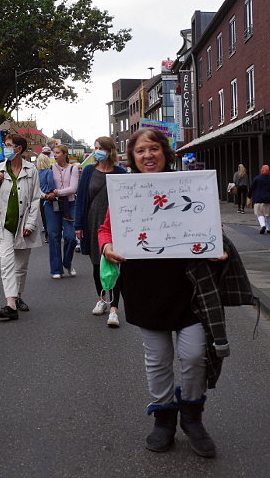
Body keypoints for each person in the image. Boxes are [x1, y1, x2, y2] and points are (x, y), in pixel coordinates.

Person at [98, 128, 252, 458]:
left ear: (166, 153)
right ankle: (164, 419)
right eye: (140, 151)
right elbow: (106, 229)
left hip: (189, 286)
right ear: (132, 157)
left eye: (154, 148)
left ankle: (193, 418)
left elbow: (211, 226)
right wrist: (107, 245)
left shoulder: (188, 185)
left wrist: (214, 247)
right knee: (157, 360)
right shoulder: (124, 190)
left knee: (195, 355)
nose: (147, 155)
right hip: (144, 286)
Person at [0, 132, 41, 320]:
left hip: (24, 222)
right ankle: (10, 303)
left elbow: (35, 199)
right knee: (6, 263)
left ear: (19, 149)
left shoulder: (31, 170)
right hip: (4, 223)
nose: (5, 148)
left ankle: (18, 296)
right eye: (5, 145)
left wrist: (31, 224)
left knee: (21, 265)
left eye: (9, 145)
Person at [74, 136, 126, 328]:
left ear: (110, 151)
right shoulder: (88, 171)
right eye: (95, 148)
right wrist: (78, 225)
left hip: (115, 224)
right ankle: (102, 299)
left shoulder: (121, 172)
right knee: (97, 265)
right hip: (92, 223)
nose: (97, 151)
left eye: (101, 148)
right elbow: (80, 200)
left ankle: (114, 309)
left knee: (115, 266)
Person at [42, 144, 78, 279]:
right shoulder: (49, 168)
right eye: (53, 153)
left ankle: (67, 262)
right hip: (52, 205)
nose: (55, 155)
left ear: (65, 154)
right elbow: (41, 186)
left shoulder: (73, 168)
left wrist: (57, 192)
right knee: (54, 236)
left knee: (70, 236)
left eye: (57, 153)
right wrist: (46, 195)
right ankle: (56, 269)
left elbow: (73, 188)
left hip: (69, 204)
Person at [248, 165, 270, 234]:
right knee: (268, 215)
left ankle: (263, 225)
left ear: (262, 170)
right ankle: (269, 228)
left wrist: (249, 197)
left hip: (258, 199)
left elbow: (251, 188)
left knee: (259, 214)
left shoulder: (257, 178)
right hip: (268, 199)